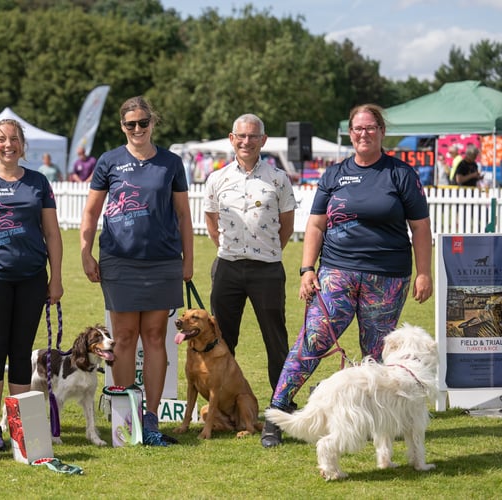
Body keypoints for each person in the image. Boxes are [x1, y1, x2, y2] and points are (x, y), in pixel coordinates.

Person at [262, 103, 432, 448]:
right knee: (312, 341)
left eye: (370, 128)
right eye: (358, 128)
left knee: (378, 351)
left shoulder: (401, 174)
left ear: (382, 132)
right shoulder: (334, 174)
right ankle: (277, 412)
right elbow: (315, 225)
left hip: (387, 277)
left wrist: (424, 273)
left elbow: (421, 227)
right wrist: (307, 269)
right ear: (350, 133)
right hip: (337, 271)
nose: (364, 134)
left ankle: (379, 423)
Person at [80, 96, 193, 446]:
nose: (138, 129)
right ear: (122, 127)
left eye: (143, 123)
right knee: (124, 337)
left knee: (156, 338)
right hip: (119, 260)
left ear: (152, 123)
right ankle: (124, 418)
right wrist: (85, 252)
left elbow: (184, 216)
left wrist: (188, 260)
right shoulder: (109, 161)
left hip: (162, 261)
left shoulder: (171, 163)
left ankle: (152, 420)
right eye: (131, 124)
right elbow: (90, 213)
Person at [0, 118, 63, 453]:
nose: (8, 145)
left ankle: (19, 428)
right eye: (2, 139)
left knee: (21, 354)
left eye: (14, 139)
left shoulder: (37, 182)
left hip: (32, 278)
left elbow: (52, 233)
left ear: (23, 145)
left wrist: (56, 277)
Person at [203, 113, 296, 395]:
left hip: (266, 269)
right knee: (221, 340)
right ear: (232, 139)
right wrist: (228, 247)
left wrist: (266, 251)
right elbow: (211, 220)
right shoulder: (217, 178)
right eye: (241, 136)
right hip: (228, 267)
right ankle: (221, 405)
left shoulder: (278, 179)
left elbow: (287, 226)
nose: (247, 141)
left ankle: (281, 404)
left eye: (253, 136)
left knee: (275, 339)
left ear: (263, 140)